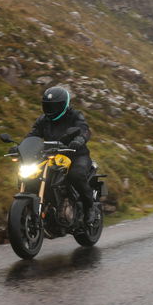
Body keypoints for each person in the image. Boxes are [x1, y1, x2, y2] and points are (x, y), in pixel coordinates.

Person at [26, 86, 95, 224]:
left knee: (76, 175)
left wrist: (79, 139)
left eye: (55, 106)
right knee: (31, 176)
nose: (51, 109)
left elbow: (84, 129)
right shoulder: (43, 120)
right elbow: (32, 135)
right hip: (51, 157)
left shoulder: (75, 116)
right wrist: (21, 146)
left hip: (76, 155)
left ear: (64, 105)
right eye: (48, 106)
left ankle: (89, 208)